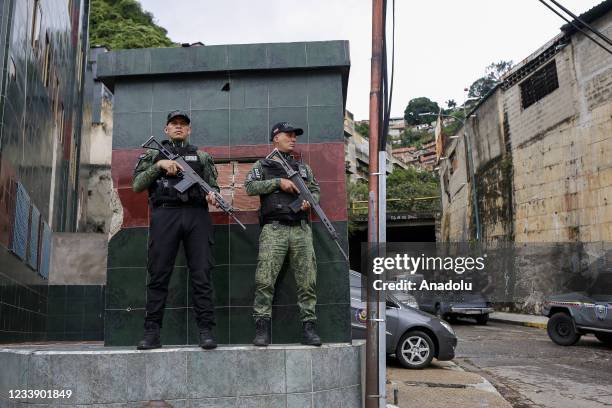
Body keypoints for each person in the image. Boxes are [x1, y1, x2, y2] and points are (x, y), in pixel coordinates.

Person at [132, 110, 219, 350]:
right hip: (165, 213)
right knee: (159, 274)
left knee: (202, 275)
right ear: (166, 129)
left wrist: (214, 196)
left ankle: (206, 331)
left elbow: (214, 187)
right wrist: (159, 165)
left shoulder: (202, 157)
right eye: (174, 124)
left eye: (183, 124)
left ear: (189, 129)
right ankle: (152, 333)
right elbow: (137, 185)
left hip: (197, 215)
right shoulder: (152, 154)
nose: (179, 127)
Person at [244, 122, 322, 347]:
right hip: (274, 229)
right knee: (264, 280)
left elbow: (315, 190)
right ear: (275, 138)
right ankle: (262, 328)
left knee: (307, 281)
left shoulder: (303, 168)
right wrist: (278, 183)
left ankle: (309, 328)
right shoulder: (263, 165)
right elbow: (249, 187)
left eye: (294, 136)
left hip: (301, 229)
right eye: (288, 135)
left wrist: (310, 202)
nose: (293, 138)